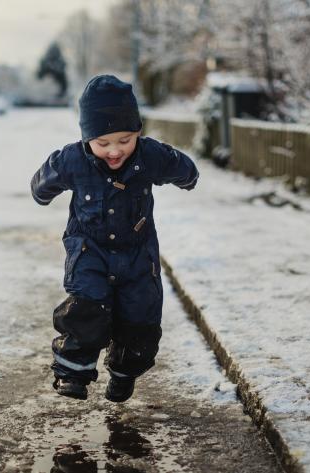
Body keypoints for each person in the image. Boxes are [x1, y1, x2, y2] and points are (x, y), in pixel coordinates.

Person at [30, 74, 199, 402]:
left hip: (138, 256)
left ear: (138, 132)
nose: (114, 151)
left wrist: (187, 177)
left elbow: (183, 166)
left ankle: (123, 374)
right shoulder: (72, 159)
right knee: (87, 309)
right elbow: (40, 184)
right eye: (103, 142)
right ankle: (73, 374)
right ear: (86, 138)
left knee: (140, 321)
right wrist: (43, 190)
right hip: (88, 250)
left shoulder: (150, 156)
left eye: (124, 140)